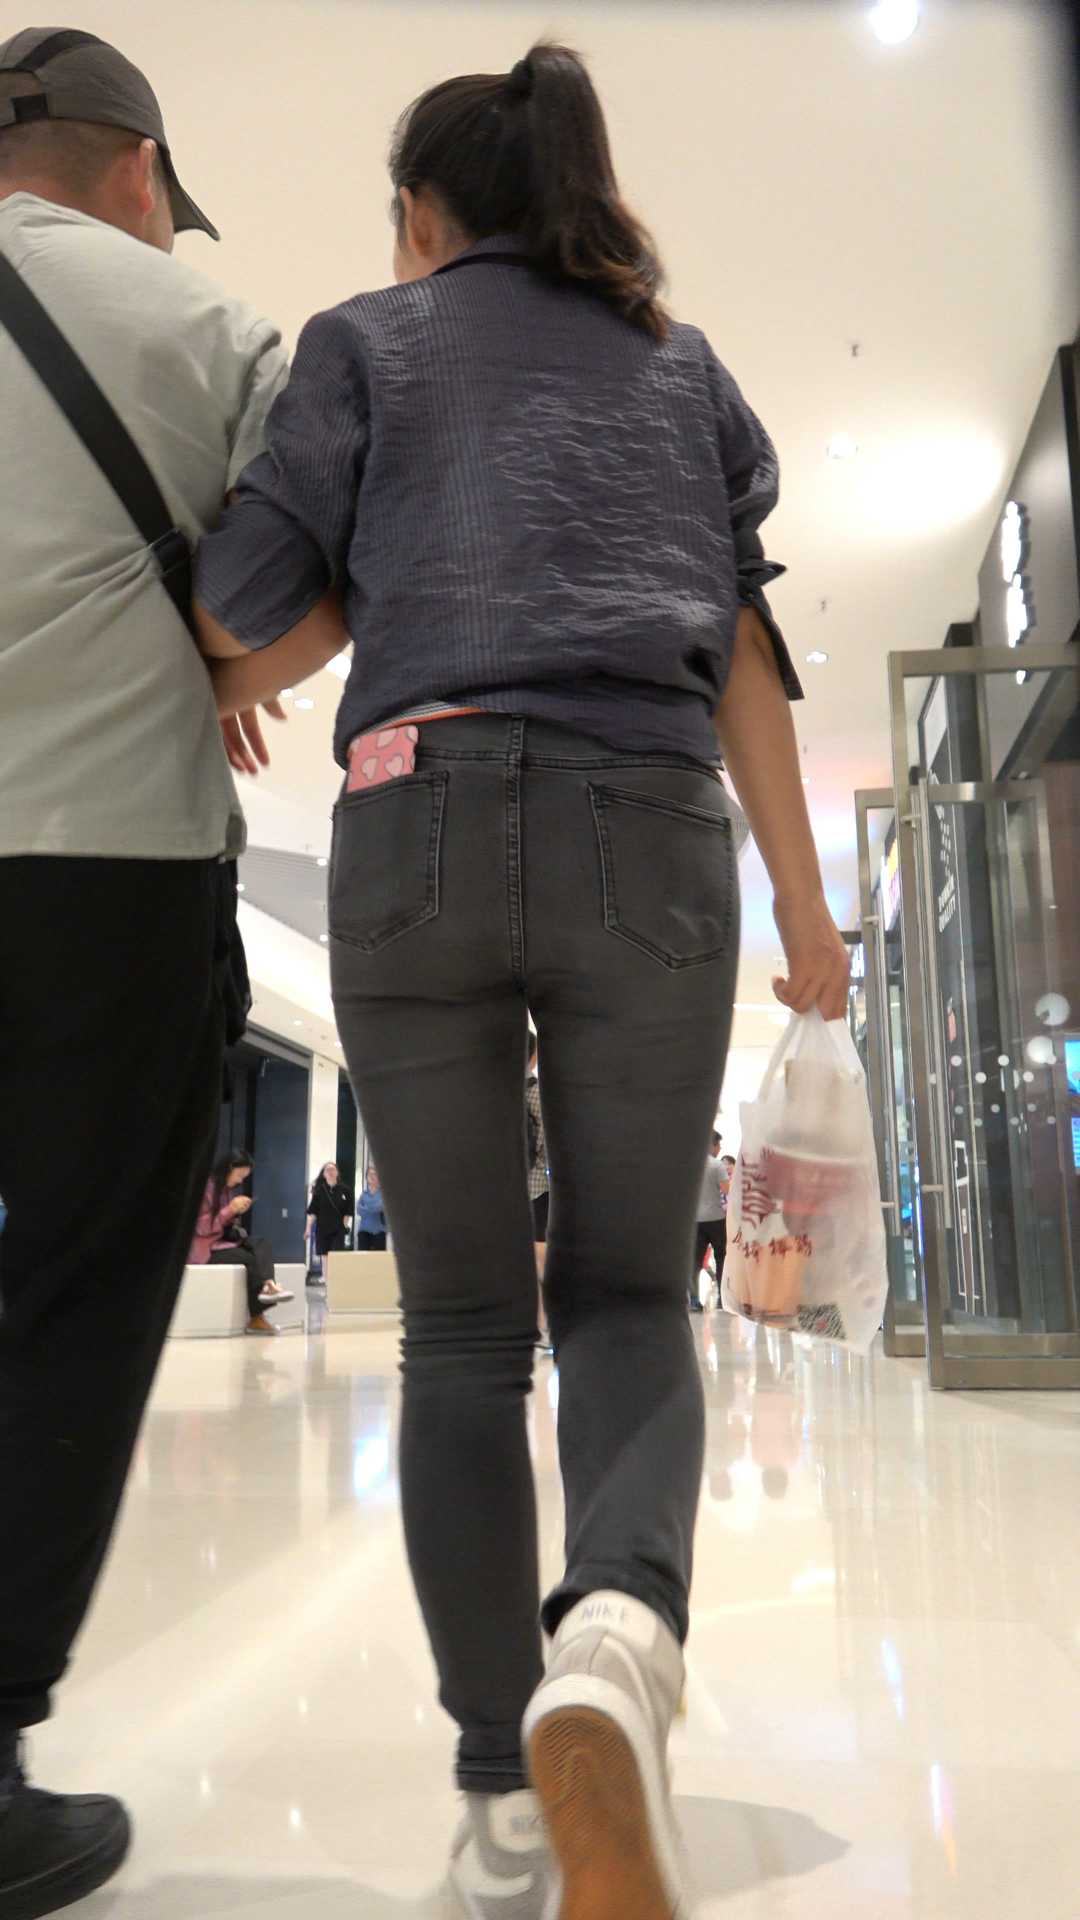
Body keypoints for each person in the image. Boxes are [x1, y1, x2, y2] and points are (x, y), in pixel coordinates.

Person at [193, 40, 850, 1920]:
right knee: (629, 1292)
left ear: (422, 214)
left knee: (464, 1331)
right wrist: (808, 914)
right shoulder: (681, 370)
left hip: (414, 815)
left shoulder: (366, 345)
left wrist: (303, 631)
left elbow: (241, 605)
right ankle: (617, 1642)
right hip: (650, 820)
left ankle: (500, 1782)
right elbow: (743, 650)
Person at [0, 27, 288, 1915]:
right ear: (139, 172)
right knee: (81, 1290)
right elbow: (312, 565)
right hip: (97, 869)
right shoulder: (194, 326)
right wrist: (209, 657)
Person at [190, 1151, 293, 1334]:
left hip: (222, 1242)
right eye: (239, 1175)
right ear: (230, 1168)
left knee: (261, 1244)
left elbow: (223, 1224)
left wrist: (236, 1212)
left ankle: (269, 1285)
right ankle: (257, 1318)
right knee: (250, 1259)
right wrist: (230, 1209)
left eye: (244, 1177)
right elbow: (200, 1228)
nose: (240, 1181)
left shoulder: (227, 1191)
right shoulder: (207, 1188)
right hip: (205, 1250)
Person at [525, 1033, 554, 1353]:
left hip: (502, 1190)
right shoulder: (538, 1093)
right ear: (533, 1057)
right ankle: (545, 1325)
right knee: (542, 1260)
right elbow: (548, 1145)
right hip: (538, 1190)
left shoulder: (495, 1090)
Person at [691, 1132, 730, 1312]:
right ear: (712, 1145)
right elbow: (727, 1190)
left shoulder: (691, 1163)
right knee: (721, 1258)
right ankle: (722, 1299)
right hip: (716, 1219)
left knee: (695, 1261)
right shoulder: (717, 1165)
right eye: (718, 1145)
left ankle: (693, 1300)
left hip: (696, 1220)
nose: (719, 1149)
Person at [306, 1160, 354, 1279]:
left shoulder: (346, 1190)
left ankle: (335, 1280)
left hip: (338, 1229)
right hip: (322, 1229)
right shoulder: (319, 1191)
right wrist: (308, 1228)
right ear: (324, 1174)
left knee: (336, 1256)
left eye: (333, 1169)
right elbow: (313, 1211)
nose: (330, 1172)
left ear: (337, 1172)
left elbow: (348, 1211)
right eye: (327, 1170)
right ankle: (327, 1281)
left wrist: (344, 1226)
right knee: (325, 1257)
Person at [355, 1166, 387, 1251]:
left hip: (379, 1231)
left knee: (378, 1258)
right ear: (366, 1178)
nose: (372, 1176)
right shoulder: (363, 1194)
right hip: (364, 1231)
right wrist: (374, 1208)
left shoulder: (384, 1194)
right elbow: (359, 1210)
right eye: (369, 1174)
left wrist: (367, 1208)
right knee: (362, 1257)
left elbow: (380, 1207)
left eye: (374, 1174)